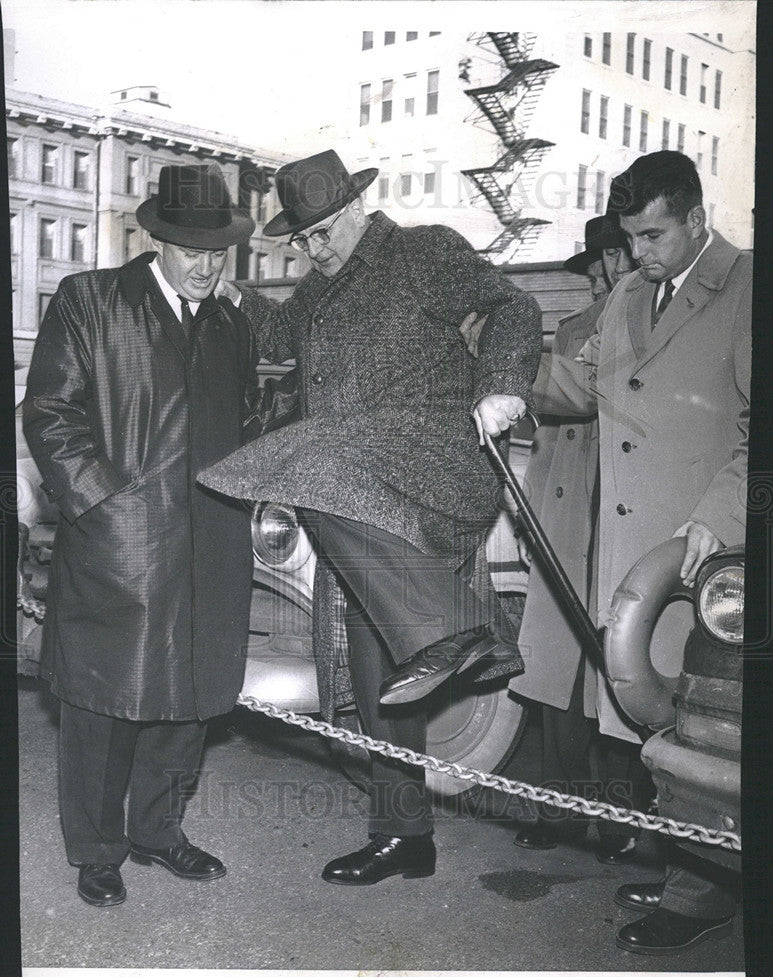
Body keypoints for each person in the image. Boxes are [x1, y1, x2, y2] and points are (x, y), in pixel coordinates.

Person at [202, 149, 542, 886]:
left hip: (429, 469)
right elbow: (276, 340)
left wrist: (503, 387)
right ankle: (403, 834)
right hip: (363, 499)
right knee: (380, 673)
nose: (315, 248)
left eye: (324, 230)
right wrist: (230, 295)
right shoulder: (318, 291)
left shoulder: (423, 252)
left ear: (358, 206)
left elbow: (512, 307)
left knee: (303, 456)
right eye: (302, 238)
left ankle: (451, 626)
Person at [23, 164, 264, 907]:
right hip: (118, 546)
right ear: (155, 238)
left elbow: (248, 422)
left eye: (217, 251)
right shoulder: (91, 301)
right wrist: (103, 507)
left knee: (186, 698)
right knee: (104, 704)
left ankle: (159, 832)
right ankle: (98, 851)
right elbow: (49, 414)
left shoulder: (229, 323)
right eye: (190, 249)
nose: (204, 264)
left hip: (209, 545)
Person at [531, 150, 750, 953]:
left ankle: (700, 893)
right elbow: (584, 393)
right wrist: (505, 375)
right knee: (651, 716)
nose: (641, 251)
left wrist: (719, 517)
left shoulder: (748, 285)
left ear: (697, 217)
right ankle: (684, 864)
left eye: (654, 234)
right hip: (629, 547)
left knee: (704, 726)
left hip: (705, 556)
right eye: (632, 237)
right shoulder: (629, 291)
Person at [509, 213, 654, 864]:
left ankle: (626, 818)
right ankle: (558, 811)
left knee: (621, 669)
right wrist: (531, 524)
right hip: (568, 524)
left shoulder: (655, 328)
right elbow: (543, 440)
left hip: (626, 523)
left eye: (613, 259)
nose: (604, 272)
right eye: (595, 263)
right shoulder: (571, 332)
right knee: (558, 681)